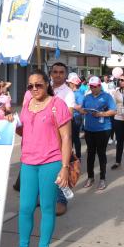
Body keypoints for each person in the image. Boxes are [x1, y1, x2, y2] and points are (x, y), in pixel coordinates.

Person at [8, 69, 72, 247]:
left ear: (47, 85)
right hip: (28, 163)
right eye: (30, 86)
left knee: (47, 208)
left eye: (38, 85)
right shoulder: (27, 104)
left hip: (50, 163)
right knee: (26, 208)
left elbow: (66, 138)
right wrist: (13, 123)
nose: (34, 88)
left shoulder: (57, 105)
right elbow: (24, 130)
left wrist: (65, 167)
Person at [80, 76, 117, 190]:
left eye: (95, 86)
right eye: (91, 86)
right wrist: (83, 111)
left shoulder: (107, 96)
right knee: (90, 154)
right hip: (89, 129)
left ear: (100, 85)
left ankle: (102, 178)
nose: (93, 88)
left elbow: (113, 111)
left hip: (103, 129)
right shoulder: (87, 97)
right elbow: (82, 109)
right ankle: (90, 177)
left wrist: (101, 114)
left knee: (101, 153)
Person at [50, 62, 75, 216]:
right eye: (55, 72)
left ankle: (61, 200)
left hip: (60, 136)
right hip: (43, 137)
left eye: (61, 72)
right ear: (51, 74)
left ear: (65, 75)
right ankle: (46, 197)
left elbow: (69, 114)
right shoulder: (45, 88)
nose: (58, 74)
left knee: (60, 168)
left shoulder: (68, 93)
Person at [67, 73, 84, 159]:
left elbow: (80, 106)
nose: (68, 84)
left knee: (75, 138)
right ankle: (70, 155)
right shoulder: (69, 92)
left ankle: (78, 156)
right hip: (69, 117)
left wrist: (71, 105)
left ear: (73, 84)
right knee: (69, 138)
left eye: (69, 83)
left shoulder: (78, 94)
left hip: (76, 118)